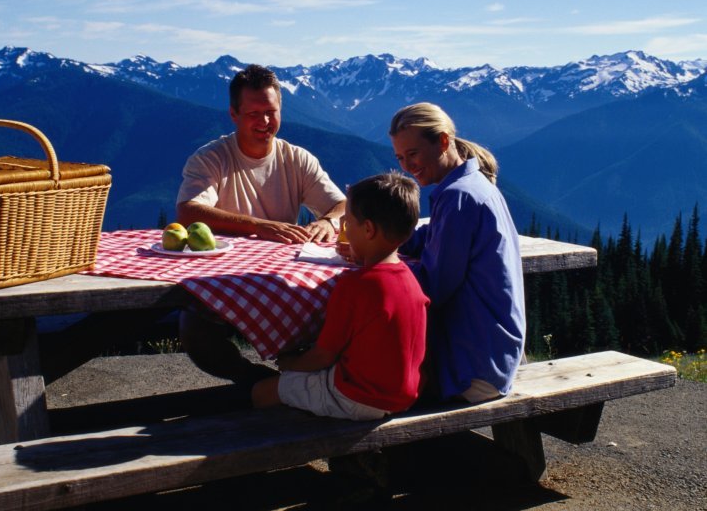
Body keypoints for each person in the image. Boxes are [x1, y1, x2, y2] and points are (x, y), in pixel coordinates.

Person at [176, 64, 346, 384]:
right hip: (222, 283)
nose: (265, 122)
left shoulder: (297, 158)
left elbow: (342, 204)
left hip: (283, 284)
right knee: (194, 327)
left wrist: (328, 220)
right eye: (254, 113)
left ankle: (298, 385)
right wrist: (260, 225)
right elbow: (188, 211)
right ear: (234, 114)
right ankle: (263, 385)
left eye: (271, 111)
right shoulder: (211, 157)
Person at [251, 172, 428, 420]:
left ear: (368, 229)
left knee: (263, 392)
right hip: (404, 394)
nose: (343, 231)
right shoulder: (411, 281)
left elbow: (322, 356)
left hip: (357, 397)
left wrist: (289, 363)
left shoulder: (355, 285)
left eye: (347, 224)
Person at [388, 102, 526, 403]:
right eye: (400, 158)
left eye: (413, 154)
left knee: (365, 374)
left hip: (473, 370)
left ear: (443, 141)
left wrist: (378, 258)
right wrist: (392, 236)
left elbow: (432, 286)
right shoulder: (474, 184)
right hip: (497, 355)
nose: (407, 166)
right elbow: (433, 235)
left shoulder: (457, 197)